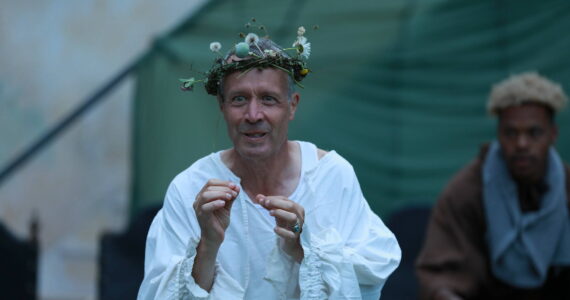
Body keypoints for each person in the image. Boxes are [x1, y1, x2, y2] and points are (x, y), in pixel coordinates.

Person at [137, 28, 401, 299]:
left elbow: (367, 279)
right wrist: (208, 245)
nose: (253, 115)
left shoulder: (331, 177)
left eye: (268, 99)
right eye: (239, 99)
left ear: (292, 106)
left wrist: (304, 248)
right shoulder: (190, 189)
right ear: (222, 106)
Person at [416, 72, 570, 300]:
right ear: (498, 134)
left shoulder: (568, 188)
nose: (521, 144)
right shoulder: (466, 191)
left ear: (552, 134)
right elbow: (440, 276)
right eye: (510, 133)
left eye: (534, 132)